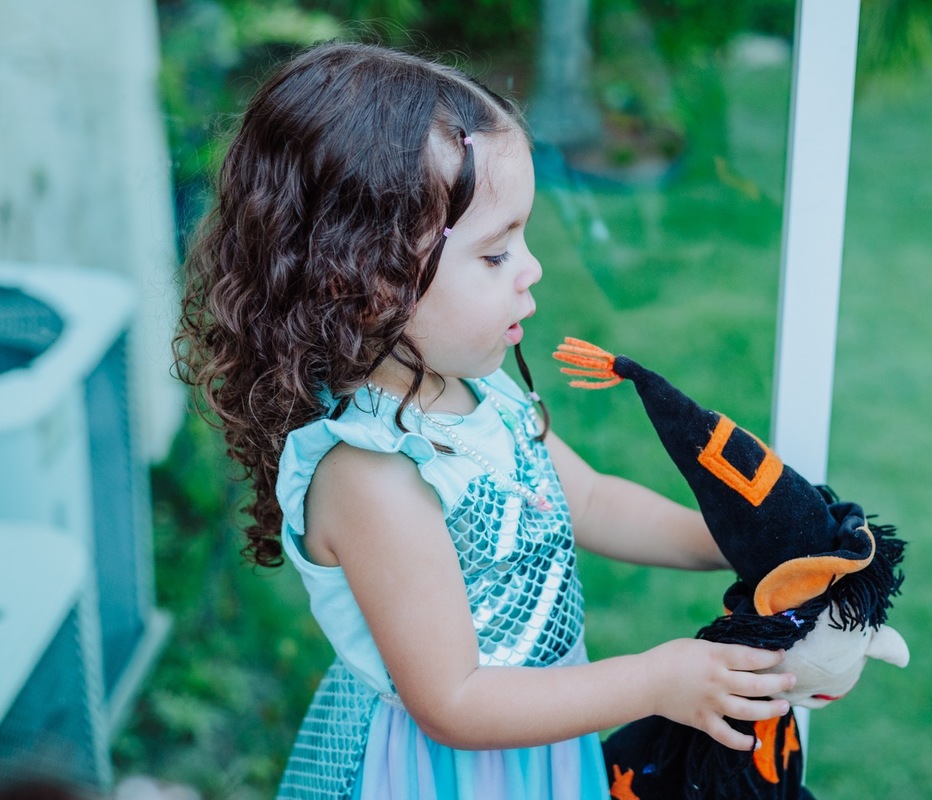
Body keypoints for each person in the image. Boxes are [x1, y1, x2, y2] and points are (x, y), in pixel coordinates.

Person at [175, 41, 795, 799]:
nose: (532, 268)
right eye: (497, 254)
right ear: (368, 283)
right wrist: (651, 681)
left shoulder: (478, 391)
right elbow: (456, 701)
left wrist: (738, 542)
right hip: (445, 773)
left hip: (534, 738)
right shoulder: (373, 476)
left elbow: (589, 498)